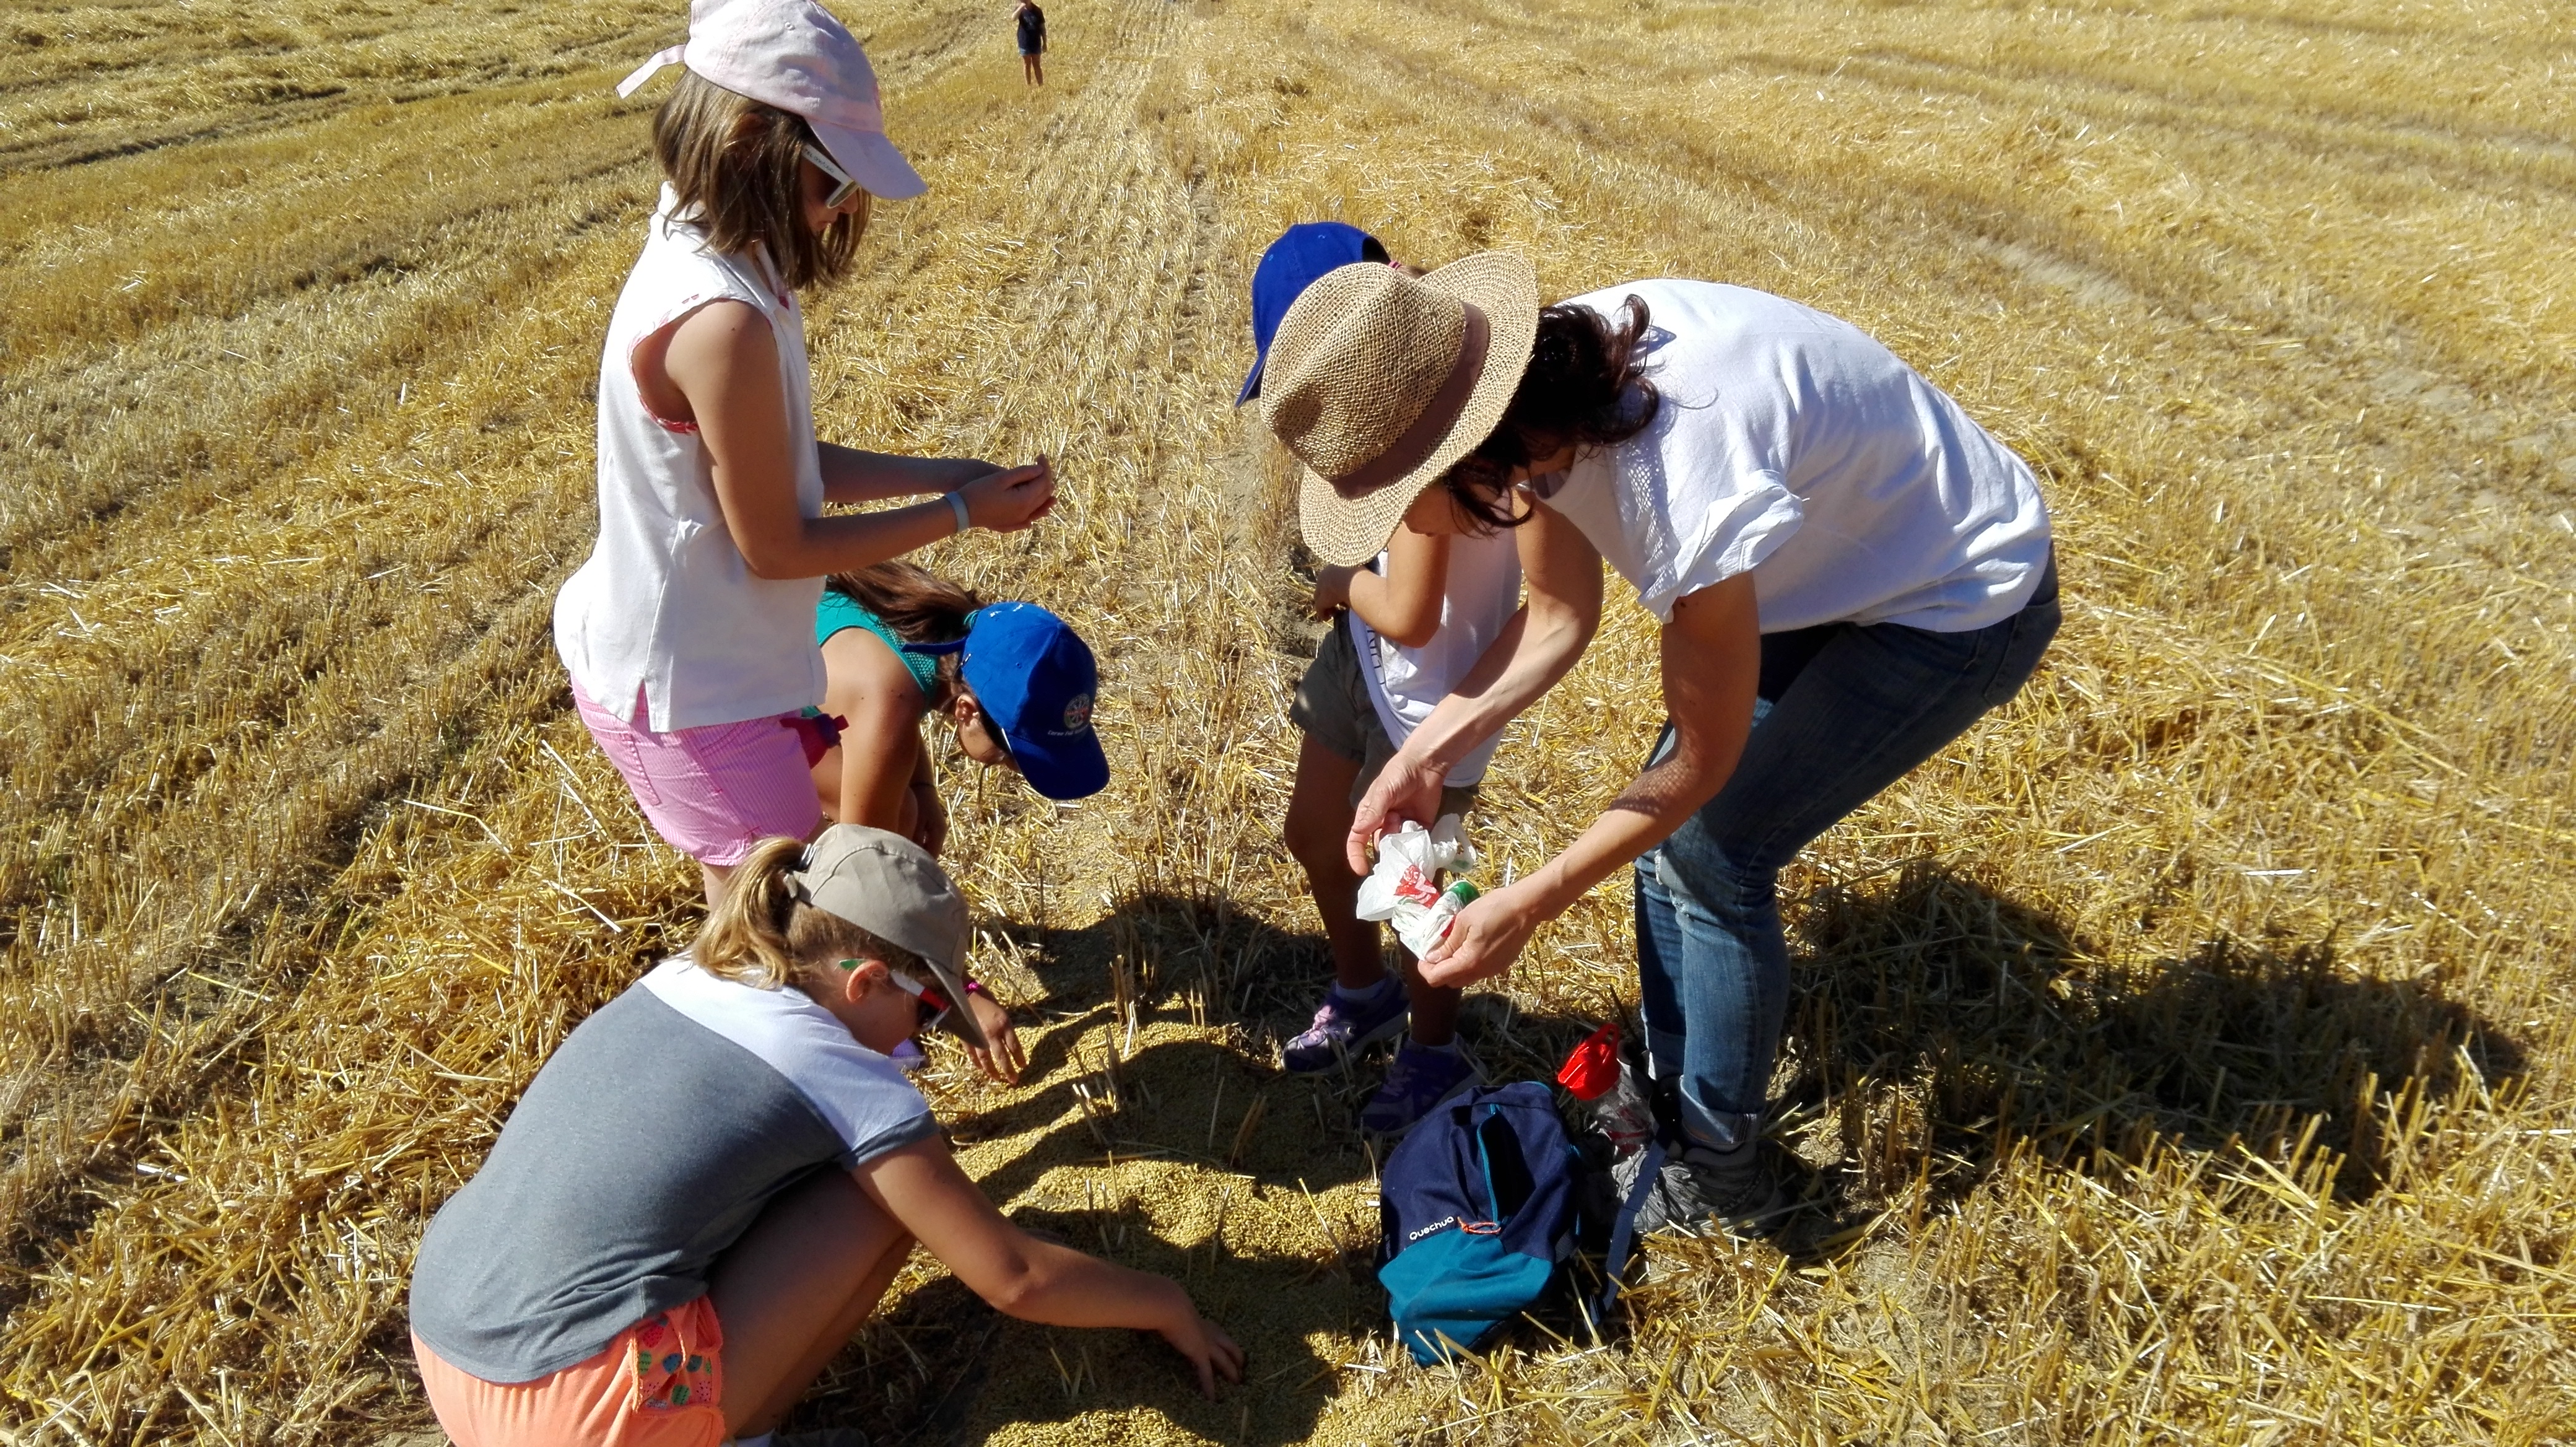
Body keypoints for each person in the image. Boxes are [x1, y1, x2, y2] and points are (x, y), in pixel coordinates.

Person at [1257, 256, 2058, 1237]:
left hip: (1953, 597)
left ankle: (1719, 1176)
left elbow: (1700, 769)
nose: (1401, 529)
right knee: (1663, 845)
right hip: (1824, 560)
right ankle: (1675, 1099)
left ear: (1469, 457)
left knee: (1715, 854)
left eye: (1398, 498)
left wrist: (1532, 901)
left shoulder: (1679, 480)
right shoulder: (1542, 400)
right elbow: (1557, 618)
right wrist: (1424, 753)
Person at [409, 826, 1243, 1447]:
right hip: (581, 1413)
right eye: (924, 1009)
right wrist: (1163, 1302)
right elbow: (1015, 1278)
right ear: (866, 980)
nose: (922, 1033)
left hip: (450, 1344)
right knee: (892, 1202)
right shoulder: (833, 1068)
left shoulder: (688, 976)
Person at [559, 0, 1058, 909]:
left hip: (720, 667)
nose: (843, 210)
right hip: (686, 689)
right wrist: (960, 516)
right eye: (832, 182)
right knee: (777, 937)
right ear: (751, 140)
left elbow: (789, 460)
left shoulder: (723, 248)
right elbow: (779, 546)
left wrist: (950, 476)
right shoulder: (720, 319)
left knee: (767, 928)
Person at [1242, 224, 1521, 1137]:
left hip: (1426, 711)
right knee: (1315, 831)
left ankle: (1435, 1051)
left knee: (1417, 893)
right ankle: (1364, 993)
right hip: (1362, 664)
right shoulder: (1411, 389)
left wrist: (1334, 583)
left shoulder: (1422, 427)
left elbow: (1409, 610)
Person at [809, 563, 1110, 848]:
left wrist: (924, 788)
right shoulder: (885, 699)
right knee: (899, 824)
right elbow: (863, 862)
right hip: (765, 713)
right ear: (967, 711)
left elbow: (895, 719)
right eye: (1005, 756)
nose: (1013, 770)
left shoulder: (934, 627)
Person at [1013, 0, 1045, 86]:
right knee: (1027, 64)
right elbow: (1013, 18)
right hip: (1024, 41)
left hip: (1036, 41)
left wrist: (1045, 42)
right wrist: (1020, 8)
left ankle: (1041, 85)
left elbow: (1042, 28)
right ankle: (1029, 85)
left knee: (1037, 64)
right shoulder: (1020, 10)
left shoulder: (1038, 11)